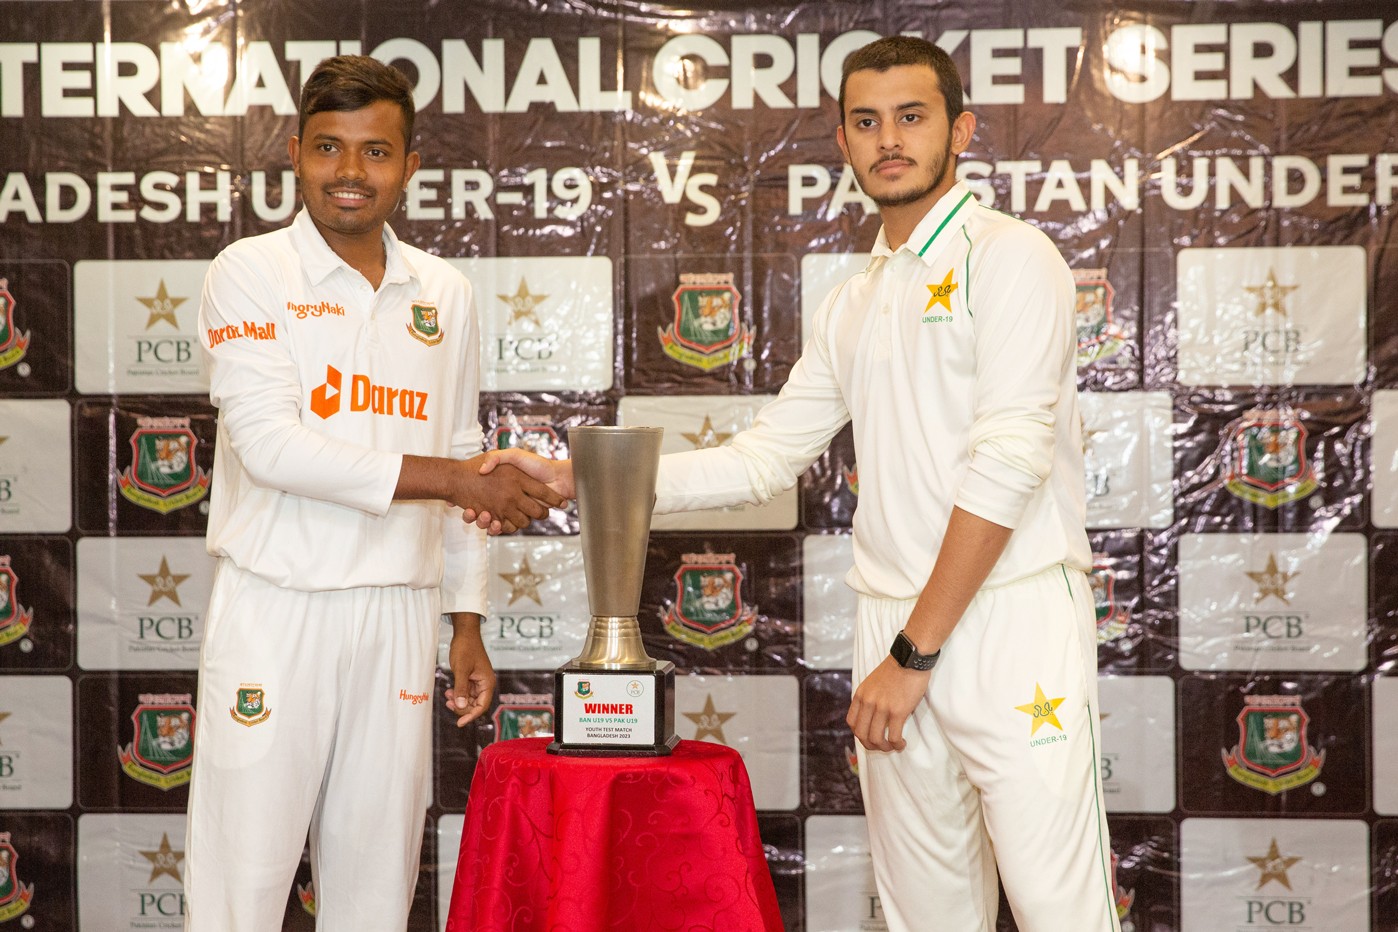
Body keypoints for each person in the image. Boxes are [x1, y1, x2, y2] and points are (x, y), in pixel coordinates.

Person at [482, 35, 1119, 932]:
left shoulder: (1011, 257)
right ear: (844, 140)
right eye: (866, 122)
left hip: (1004, 623)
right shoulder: (853, 298)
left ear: (962, 130)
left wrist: (915, 654)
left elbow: (1009, 463)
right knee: (925, 918)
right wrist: (580, 479)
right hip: (892, 630)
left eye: (911, 116)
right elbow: (764, 458)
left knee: (1064, 913)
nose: (887, 139)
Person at [184, 55, 564, 931]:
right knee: (238, 891)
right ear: (295, 154)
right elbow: (274, 447)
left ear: (411, 166)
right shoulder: (249, 271)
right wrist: (454, 480)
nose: (350, 173)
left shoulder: (446, 291)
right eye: (328, 148)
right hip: (278, 606)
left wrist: (465, 619)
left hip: (400, 608)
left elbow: (462, 448)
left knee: (375, 892)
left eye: (376, 152)